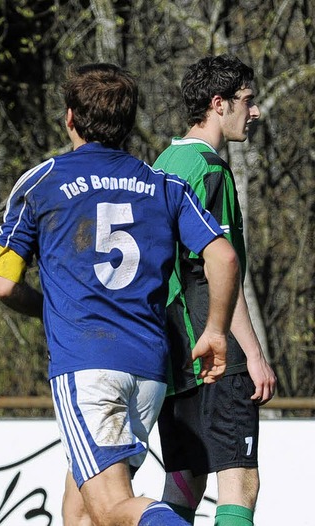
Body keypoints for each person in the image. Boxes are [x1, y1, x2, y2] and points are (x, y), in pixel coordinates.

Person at [0, 62, 241, 526]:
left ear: (69, 117)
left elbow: (4, 285)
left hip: (88, 367)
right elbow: (223, 257)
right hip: (149, 370)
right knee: (80, 511)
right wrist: (216, 332)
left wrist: (52, 308)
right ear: (129, 122)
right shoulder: (165, 185)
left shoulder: (40, 182)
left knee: (109, 509)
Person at [153, 55, 276, 526]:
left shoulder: (164, 162)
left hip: (170, 347)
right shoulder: (209, 171)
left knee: (185, 478)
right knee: (239, 476)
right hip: (212, 344)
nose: (256, 111)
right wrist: (253, 353)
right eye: (247, 100)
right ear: (218, 103)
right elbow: (217, 269)